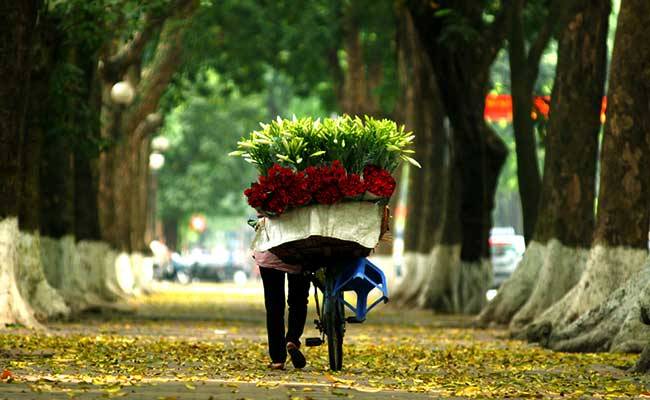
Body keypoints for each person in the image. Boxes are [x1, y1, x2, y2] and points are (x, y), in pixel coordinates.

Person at [253, 250, 310, 370]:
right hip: (299, 254)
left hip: (269, 256)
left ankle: (277, 359)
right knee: (298, 301)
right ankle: (292, 339)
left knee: (274, 306)